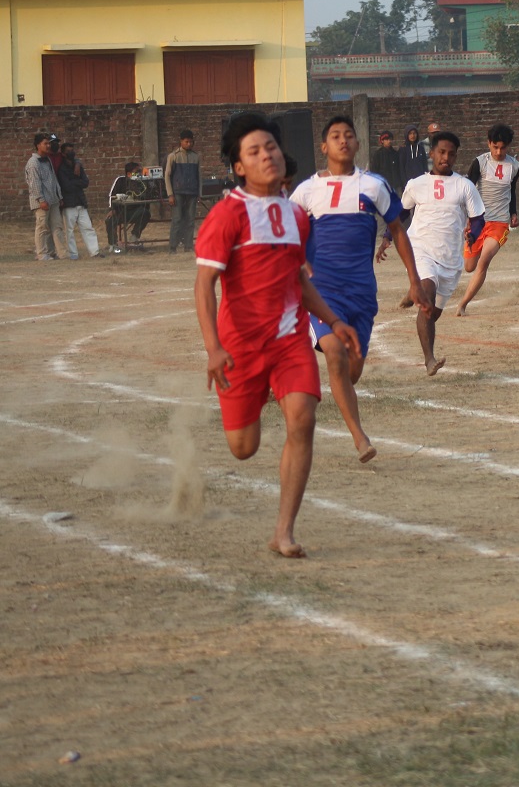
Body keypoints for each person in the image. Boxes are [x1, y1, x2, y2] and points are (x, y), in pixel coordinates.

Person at [194, 112, 361, 559]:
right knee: (243, 449)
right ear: (239, 167)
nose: (266, 155)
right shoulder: (225, 216)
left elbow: (299, 280)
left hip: (289, 341)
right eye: (254, 151)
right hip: (240, 348)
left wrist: (334, 319)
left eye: (270, 146)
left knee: (303, 418)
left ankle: (283, 532)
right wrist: (213, 348)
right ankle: (253, 397)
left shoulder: (295, 215)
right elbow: (204, 286)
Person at [290, 115, 428, 463]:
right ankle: (359, 437)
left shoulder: (374, 185)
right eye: (335, 136)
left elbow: (396, 229)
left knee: (353, 368)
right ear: (324, 146)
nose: (343, 140)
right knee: (335, 356)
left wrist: (413, 280)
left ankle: (343, 394)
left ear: (357, 144)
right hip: (322, 291)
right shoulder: (305, 191)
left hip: (362, 292)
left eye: (348, 135)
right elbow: (288, 236)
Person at [403, 130, 486, 372]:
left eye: (451, 154)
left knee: (433, 314)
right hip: (421, 250)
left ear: (456, 157)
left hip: (450, 260)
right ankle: (429, 360)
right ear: (432, 153)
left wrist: (472, 234)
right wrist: (387, 237)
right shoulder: (416, 185)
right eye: (441, 152)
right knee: (427, 296)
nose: (445, 158)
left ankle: (413, 292)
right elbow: (400, 213)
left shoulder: (464, 186)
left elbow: (478, 218)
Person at [457, 123, 519, 316]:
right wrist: (467, 217)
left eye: (503, 148)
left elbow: (512, 191)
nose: (499, 151)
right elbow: (468, 190)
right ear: (489, 144)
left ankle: (462, 305)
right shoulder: (480, 162)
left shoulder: (515, 166)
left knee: (484, 261)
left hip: (499, 223)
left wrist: (513, 213)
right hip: (478, 221)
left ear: (508, 146)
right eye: (495, 147)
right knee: (469, 267)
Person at [55, 142, 100, 259]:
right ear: (63, 154)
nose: (72, 153)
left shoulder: (78, 165)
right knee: (69, 231)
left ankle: (94, 252)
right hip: (69, 203)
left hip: (80, 201)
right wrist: (77, 182)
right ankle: (73, 254)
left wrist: (75, 182)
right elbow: (66, 186)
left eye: (72, 150)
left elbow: (86, 182)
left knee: (88, 228)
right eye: (68, 151)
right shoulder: (62, 169)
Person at [26, 133, 65, 260]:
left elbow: (53, 179)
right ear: (38, 145)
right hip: (41, 201)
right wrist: (41, 200)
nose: (48, 146)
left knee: (57, 226)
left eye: (49, 143)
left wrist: (59, 196)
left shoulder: (47, 159)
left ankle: (59, 252)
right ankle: (41, 253)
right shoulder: (33, 163)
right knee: (42, 227)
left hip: (53, 199)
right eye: (45, 143)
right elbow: (34, 183)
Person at [163, 129, 201, 253]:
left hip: (192, 193)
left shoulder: (196, 157)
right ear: (181, 142)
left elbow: (199, 176)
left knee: (190, 220)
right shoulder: (173, 156)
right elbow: (167, 176)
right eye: (186, 142)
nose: (189, 144)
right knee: (177, 219)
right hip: (178, 192)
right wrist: (170, 194)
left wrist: (199, 193)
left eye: (191, 142)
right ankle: (173, 246)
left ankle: (188, 245)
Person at [105, 162, 148, 253]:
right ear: (128, 174)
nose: (139, 174)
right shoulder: (120, 180)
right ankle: (113, 244)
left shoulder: (142, 182)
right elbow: (111, 196)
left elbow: (146, 198)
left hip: (135, 211)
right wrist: (112, 209)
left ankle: (134, 237)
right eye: (136, 172)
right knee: (110, 220)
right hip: (120, 212)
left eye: (140, 172)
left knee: (145, 213)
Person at [398, 125, 428, 216]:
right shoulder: (403, 149)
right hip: (408, 183)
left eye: (414, 133)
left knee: (419, 209)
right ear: (407, 135)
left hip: (420, 183)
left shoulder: (421, 149)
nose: (412, 136)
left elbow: (424, 165)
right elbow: (401, 167)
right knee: (406, 208)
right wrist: (404, 183)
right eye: (410, 133)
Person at [370, 130, 402, 195]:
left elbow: (398, 169)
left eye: (390, 139)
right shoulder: (378, 154)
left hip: (394, 186)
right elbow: (374, 171)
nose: (389, 141)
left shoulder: (395, 154)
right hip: (382, 186)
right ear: (382, 141)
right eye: (386, 139)